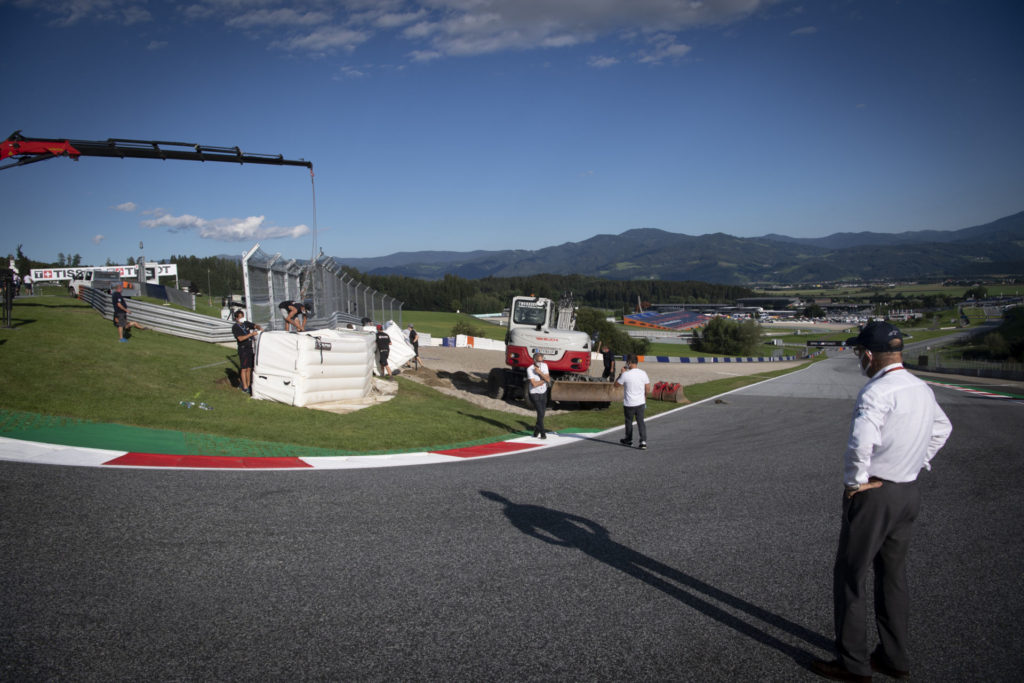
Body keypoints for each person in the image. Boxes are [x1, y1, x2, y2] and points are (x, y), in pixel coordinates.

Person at [812, 321, 952, 683]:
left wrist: (854, 483)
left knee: (850, 577)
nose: (860, 359)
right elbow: (942, 428)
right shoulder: (920, 387)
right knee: (892, 578)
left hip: (875, 495)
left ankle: (853, 664)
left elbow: (861, 444)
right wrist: (919, 461)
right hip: (908, 492)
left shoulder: (877, 391)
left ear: (870, 355)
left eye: (860, 353)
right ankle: (894, 657)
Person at [616, 355, 650, 450]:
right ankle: (643, 441)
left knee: (629, 422)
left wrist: (621, 374)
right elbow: (647, 388)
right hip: (640, 402)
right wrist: (645, 398)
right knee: (641, 422)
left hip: (629, 403)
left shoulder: (626, 374)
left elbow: (616, 385)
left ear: (629, 363)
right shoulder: (643, 373)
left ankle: (628, 440)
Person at [231, 309, 262, 395]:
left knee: (249, 368)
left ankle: (249, 385)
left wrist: (259, 328)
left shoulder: (246, 323)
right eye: (240, 317)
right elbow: (240, 338)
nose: (241, 319)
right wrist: (251, 334)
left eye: (242, 316)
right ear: (236, 318)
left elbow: (255, 326)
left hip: (249, 348)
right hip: (243, 348)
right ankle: (244, 386)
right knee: (244, 368)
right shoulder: (235, 327)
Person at [526, 352, 551, 439]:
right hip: (534, 393)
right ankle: (543, 433)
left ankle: (536, 430)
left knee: (542, 413)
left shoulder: (545, 366)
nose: (540, 363)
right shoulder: (529, 369)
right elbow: (534, 384)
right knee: (540, 412)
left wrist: (540, 373)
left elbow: (548, 379)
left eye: (541, 361)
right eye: (538, 361)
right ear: (534, 360)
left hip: (543, 391)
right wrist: (544, 380)